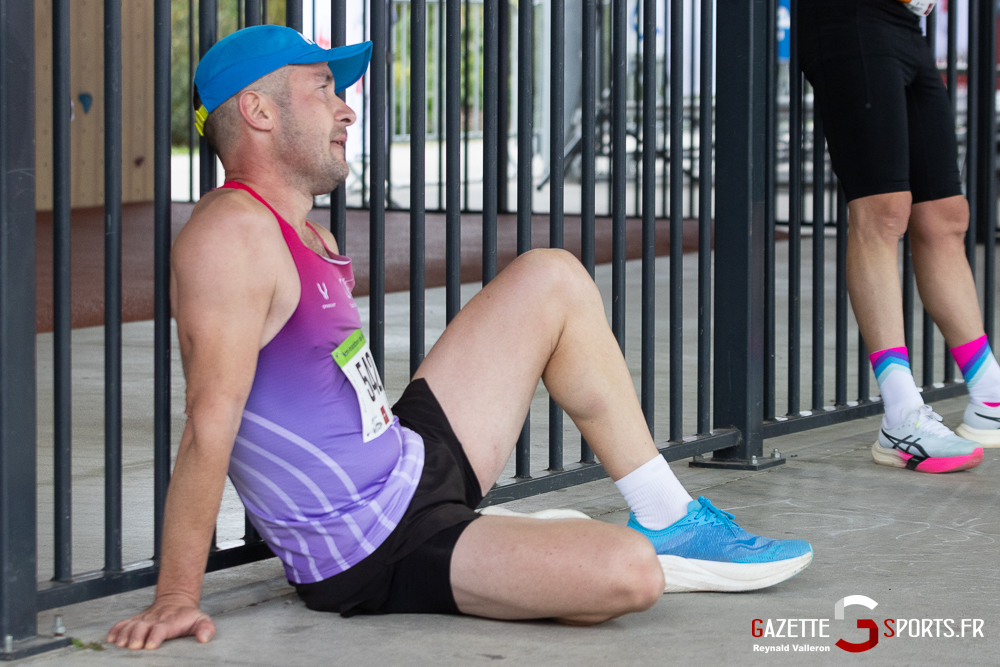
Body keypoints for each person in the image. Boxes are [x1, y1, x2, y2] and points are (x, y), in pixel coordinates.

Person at [106, 26, 812, 651]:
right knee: (628, 576)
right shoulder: (230, 235)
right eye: (323, 89)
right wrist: (176, 594)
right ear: (258, 111)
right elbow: (209, 423)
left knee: (551, 278)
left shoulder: (300, 229)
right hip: (374, 545)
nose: (347, 108)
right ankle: (562, 552)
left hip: (405, 459)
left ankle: (669, 515)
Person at [797, 0, 992, 473]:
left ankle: (990, 395)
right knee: (882, 211)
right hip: (850, 17)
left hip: (908, 23)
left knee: (945, 215)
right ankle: (901, 416)